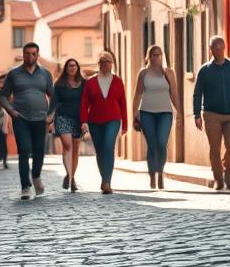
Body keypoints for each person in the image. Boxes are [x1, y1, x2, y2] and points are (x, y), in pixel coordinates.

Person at [0, 43, 55, 200]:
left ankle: (36, 176)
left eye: (33, 54)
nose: (30, 57)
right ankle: (25, 187)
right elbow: (1, 95)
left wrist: (51, 115)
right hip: (20, 118)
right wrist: (11, 111)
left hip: (41, 119)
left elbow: (54, 97)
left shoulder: (45, 74)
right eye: (27, 53)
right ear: (23, 55)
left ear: (37, 55)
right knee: (24, 149)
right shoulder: (14, 74)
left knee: (38, 150)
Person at [192, 36, 230, 190]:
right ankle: (218, 178)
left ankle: (228, 172)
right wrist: (197, 115)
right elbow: (197, 93)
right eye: (214, 48)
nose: (218, 50)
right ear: (210, 49)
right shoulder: (204, 70)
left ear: (225, 47)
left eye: (220, 47)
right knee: (215, 148)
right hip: (211, 115)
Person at [131, 45, 179, 189]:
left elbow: (174, 94)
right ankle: (152, 174)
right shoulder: (143, 73)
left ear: (162, 56)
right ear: (148, 56)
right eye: (152, 55)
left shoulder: (168, 73)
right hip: (146, 113)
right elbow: (137, 95)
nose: (155, 57)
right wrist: (134, 113)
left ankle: (160, 172)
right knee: (152, 145)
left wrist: (179, 112)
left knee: (161, 143)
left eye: (158, 55)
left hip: (165, 113)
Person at [80, 50, 127, 194]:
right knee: (100, 151)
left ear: (112, 64)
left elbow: (123, 103)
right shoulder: (91, 82)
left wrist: (125, 124)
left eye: (108, 61)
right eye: (102, 61)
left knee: (108, 147)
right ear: (99, 64)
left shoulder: (118, 81)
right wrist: (84, 121)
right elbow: (84, 103)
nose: (105, 64)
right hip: (94, 120)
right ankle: (104, 179)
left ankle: (107, 182)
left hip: (113, 119)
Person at [52, 58, 86, 192]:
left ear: (78, 67)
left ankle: (71, 176)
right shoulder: (59, 84)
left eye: (74, 65)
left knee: (75, 149)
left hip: (78, 118)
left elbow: (87, 101)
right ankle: (71, 179)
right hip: (62, 116)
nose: (72, 67)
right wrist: (50, 118)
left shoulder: (84, 83)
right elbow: (54, 102)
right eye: (70, 65)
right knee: (67, 146)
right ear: (66, 68)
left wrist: (86, 120)